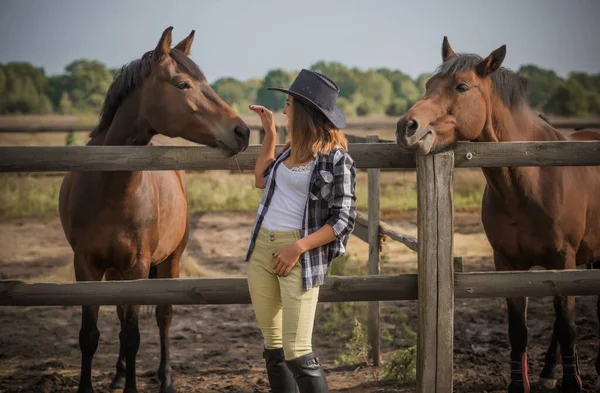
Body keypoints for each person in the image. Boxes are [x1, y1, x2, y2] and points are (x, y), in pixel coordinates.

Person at [245, 69, 357, 393]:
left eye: (289, 104)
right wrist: (269, 134)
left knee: (298, 351)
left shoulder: (337, 160)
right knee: (274, 346)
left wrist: (298, 247)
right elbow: (260, 178)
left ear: (305, 111)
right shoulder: (288, 152)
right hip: (262, 250)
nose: (284, 110)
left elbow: (343, 220)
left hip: (299, 254)